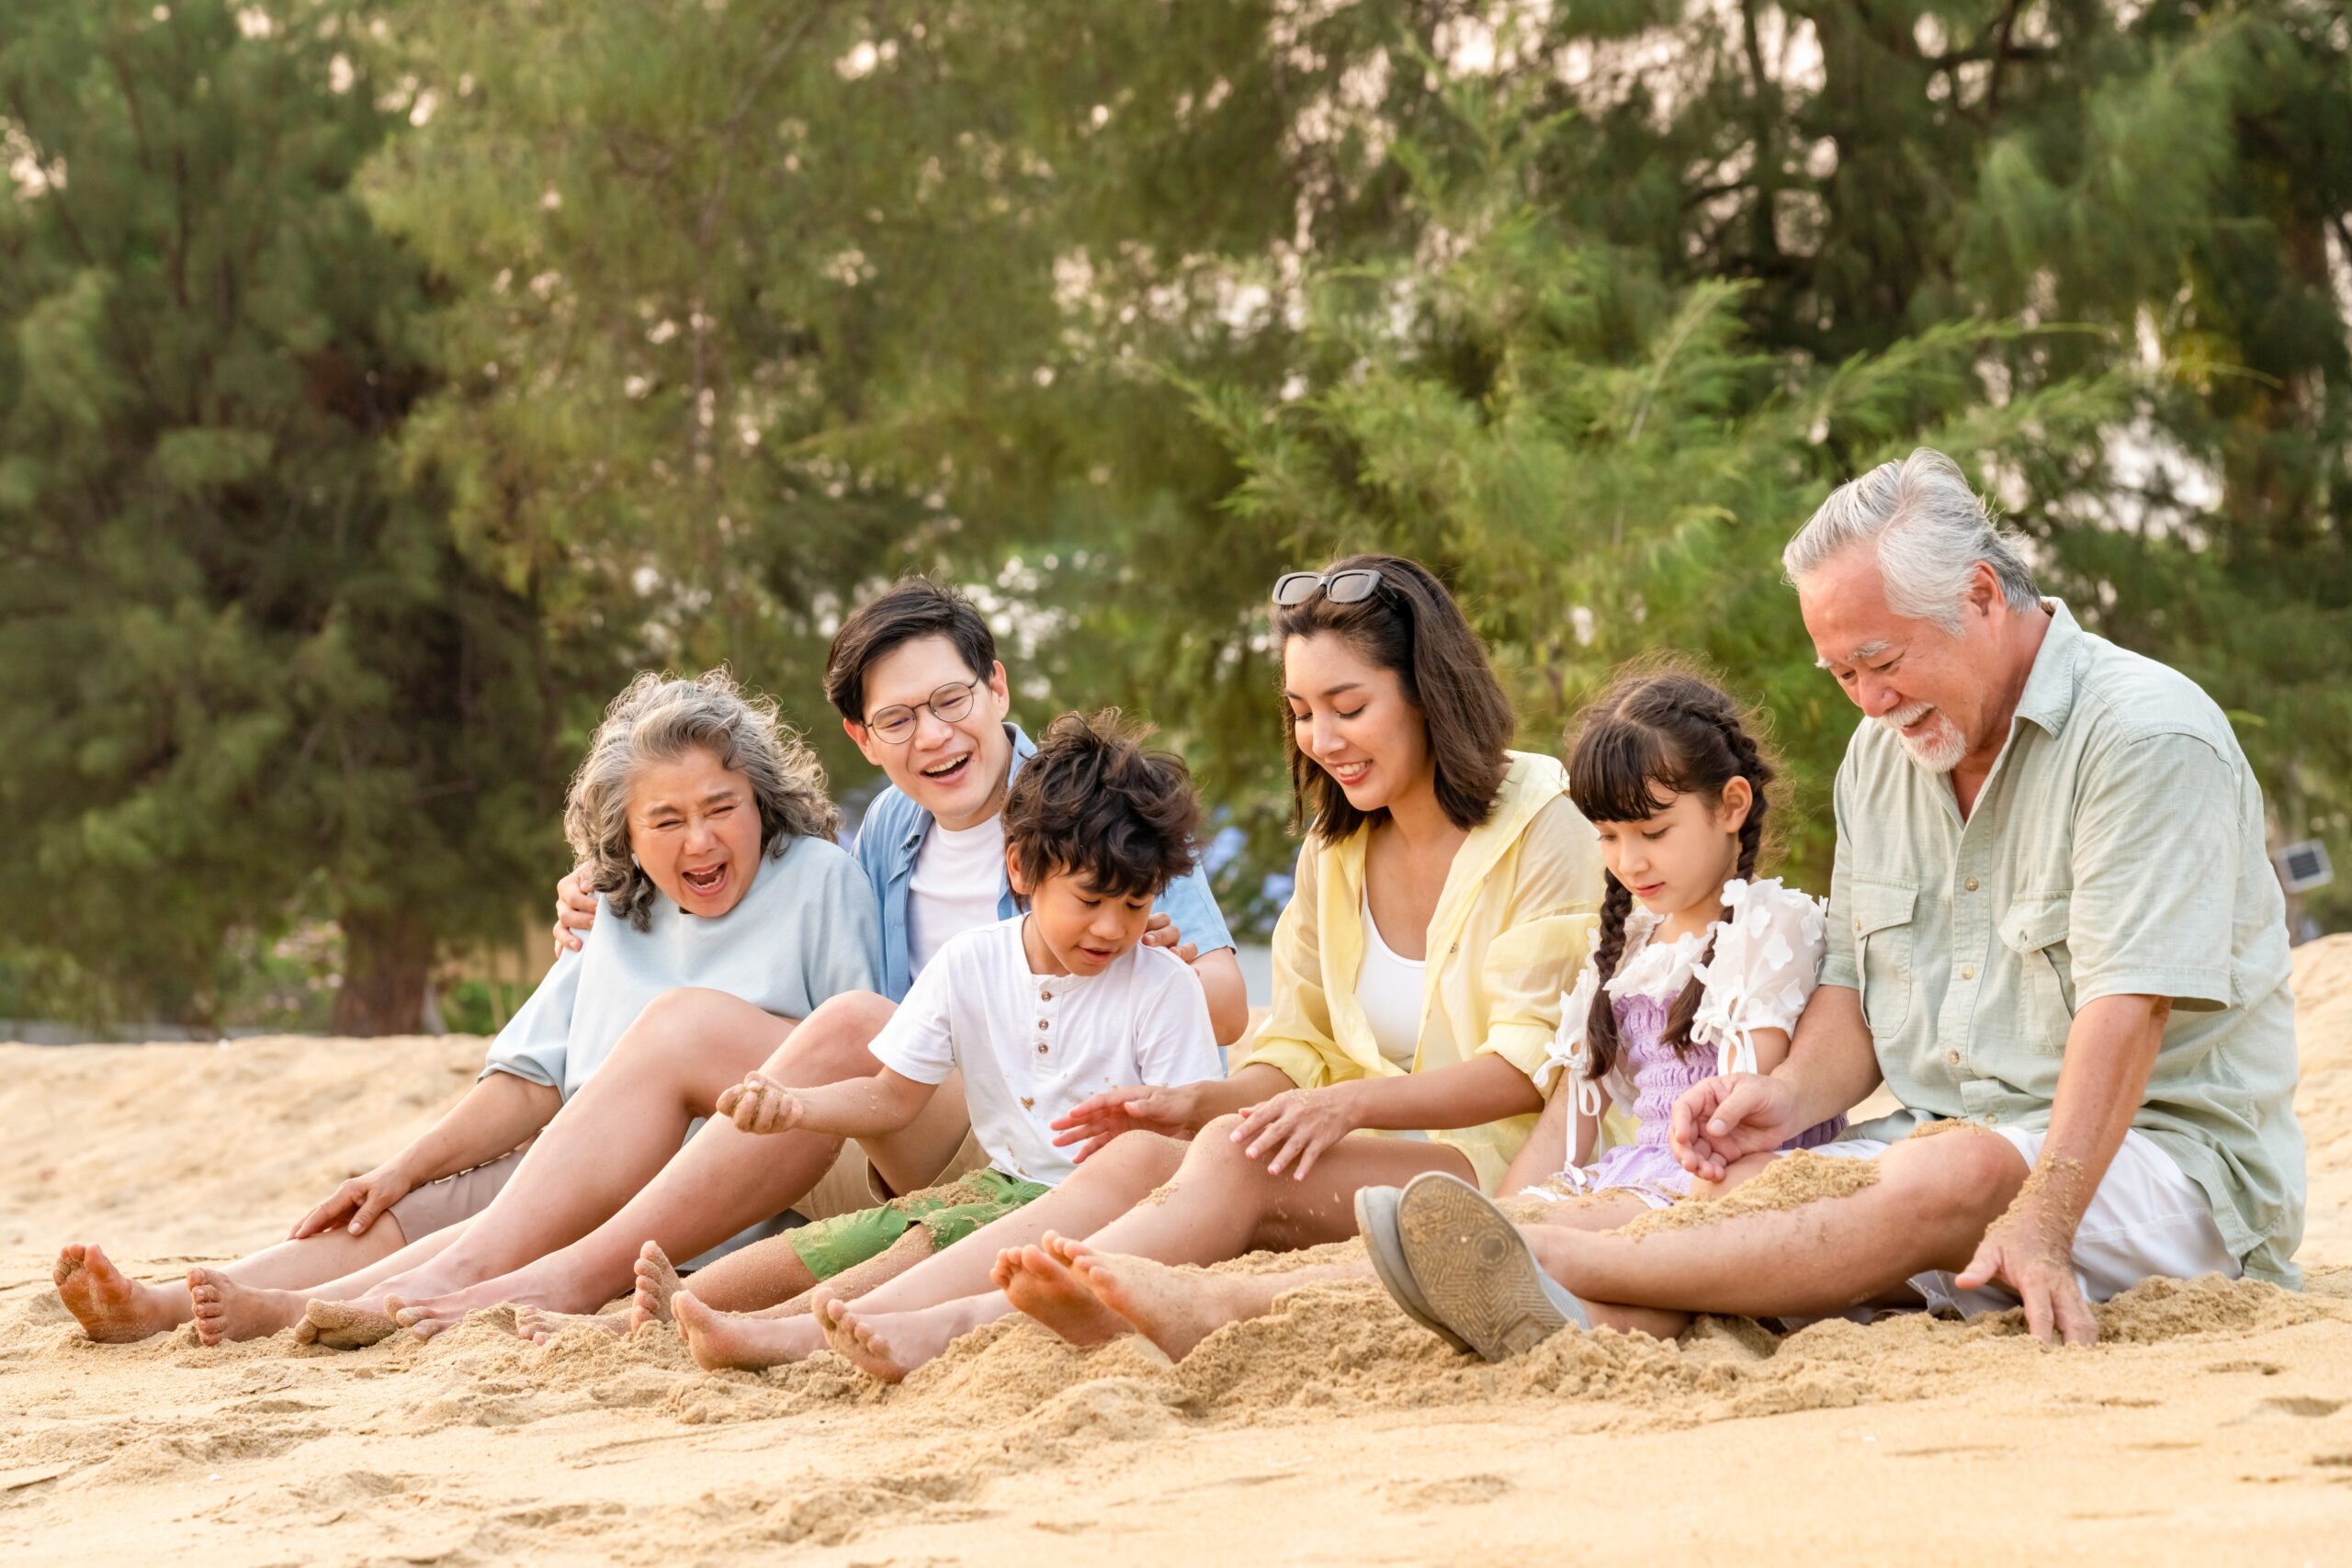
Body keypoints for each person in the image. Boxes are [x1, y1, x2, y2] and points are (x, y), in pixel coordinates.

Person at [1363, 447, 2306, 1356]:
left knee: (1964, 1168)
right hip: (1930, 1159)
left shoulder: (2144, 739)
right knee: (1734, 1198)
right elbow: (1855, 986)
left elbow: (2127, 1006)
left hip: (2161, 1174)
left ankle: (1539, 1253)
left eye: (1879, 659)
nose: (1866, 700)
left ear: (1980, 595)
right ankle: (1535, 1306)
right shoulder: (1880, 759)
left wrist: (2045, 1218)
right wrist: (1780, 1098)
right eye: (1841, 674)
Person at [659, 554, 1602, 1381]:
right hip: (1348, 1149)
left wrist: (1337, 1107)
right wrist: (1194, 1106)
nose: (1320, 740)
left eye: (1347, 707)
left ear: (1427, 691)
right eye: (1303, 712)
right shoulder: (1337, 843)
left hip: (1489, 1163)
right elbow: (1300, 1043)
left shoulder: (1538, 822)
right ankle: (854, 1322)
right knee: (1145, 1151)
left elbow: (1526, 1070)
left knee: (1219, 1157)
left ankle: (948, 1324)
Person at [972, 661, 1845, 1360]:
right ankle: (1050, 1302)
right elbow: (1573, 1111)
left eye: (1650, 836)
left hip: (1709, 1183)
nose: (1626, 861)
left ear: (1732, 806)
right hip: (1617, 1181)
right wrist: (1517, 1206)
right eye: (1610, 838)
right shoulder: (1622, 945)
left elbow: (1745, 1106)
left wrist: (1543, 1209)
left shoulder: (1768, 924)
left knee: (1584, 1277)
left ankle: (1220, 1304)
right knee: (1503, 1251)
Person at [51, 669, 879, 1346]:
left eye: (719, 809)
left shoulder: (816, 880)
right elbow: (528, 1083)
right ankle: (164, 1304)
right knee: (407, 1204)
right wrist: (401, 1166)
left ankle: (312, 1308)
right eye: (667, 819)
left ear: (758, 799)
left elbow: (855, 1063)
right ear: (623, 832)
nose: (699, 841)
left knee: (507, 1222)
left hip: (702, 1195)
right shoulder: (612, 905)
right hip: (567, 1166)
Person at [626, 710, 1221, 1365]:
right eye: (1089, 900)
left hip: (1095, 1212)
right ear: (1021, 869)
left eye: (1135, 906)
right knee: (845, 1234)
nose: (1111, 929)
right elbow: (892, 1097)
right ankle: (674, 1305)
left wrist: (1145, 1122)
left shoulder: (1163, 986)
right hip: (1002, 1183)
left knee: (918, 1240)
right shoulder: (972, 962)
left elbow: (1187, 1153)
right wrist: (800, 1107)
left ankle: (776, 1331)